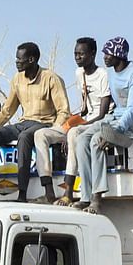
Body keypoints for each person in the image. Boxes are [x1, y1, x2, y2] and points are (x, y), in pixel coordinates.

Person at [0, 42, 70, 202]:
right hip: (23, 123)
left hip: (44, 123)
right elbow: (8, 110)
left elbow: (63, 110)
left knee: (25, 137)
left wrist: (56, 131)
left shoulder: (50, 78)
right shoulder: (17, 79)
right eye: (16, 58)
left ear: (31, 60)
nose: (17, 62)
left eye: (20, 59)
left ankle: (22, 193)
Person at [73, 37, 133, 214]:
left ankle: (97, 197)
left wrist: (114, 132)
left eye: (108, 53)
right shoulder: (111, 73)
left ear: (119, 55)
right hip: (115, 117)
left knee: (97, 140)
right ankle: (85, 196)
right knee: (82, 138)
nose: (105, 57)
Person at [34, 37, 113, 205]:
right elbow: (84, 108)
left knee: (74, 133)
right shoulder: (79, 73)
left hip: (98, 122)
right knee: (40, 134)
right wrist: (70, 121)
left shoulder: (103, 75)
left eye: (81, 54)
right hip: (84, 120)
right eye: (75, 54)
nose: (77, 57)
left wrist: (75, 127)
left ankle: (68, 191)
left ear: (92, 54)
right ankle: (49, 191)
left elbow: (102, 113)